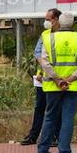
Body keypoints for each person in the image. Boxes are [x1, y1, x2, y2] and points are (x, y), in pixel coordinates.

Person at [35, 12, 77, 153]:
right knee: (67, 118)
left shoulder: (48, 39)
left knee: (49, 116)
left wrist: (57, 79)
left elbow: (44, 62)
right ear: (72, 24)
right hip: (73, 86)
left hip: (53, 85)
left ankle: (42, 151)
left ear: (58, 23)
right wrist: (70, 78)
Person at [20, 8, 62, 145]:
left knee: (55, 109)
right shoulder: (45, 34)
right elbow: (38, 53)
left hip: (60, 79)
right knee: (40, 108)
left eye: (48, 19)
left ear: (56, 20)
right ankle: (33, 136)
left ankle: (55, 136)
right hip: (43, 78)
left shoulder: (63, 35)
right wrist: (42, 70)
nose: (46, 22)